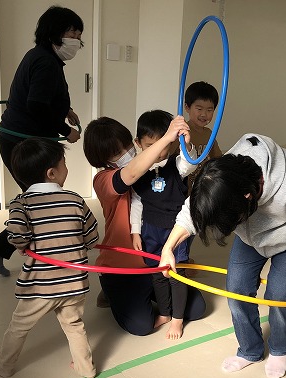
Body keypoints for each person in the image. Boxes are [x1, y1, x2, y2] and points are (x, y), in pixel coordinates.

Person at [159, 134, 286, 378]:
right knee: (237, 289)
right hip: (251, 237)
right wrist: (168, 248)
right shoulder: (224, 172)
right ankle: (250, 350)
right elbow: (195, 209)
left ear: (247, 197)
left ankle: (280, 349)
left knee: (280, 295)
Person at [0, 6, 85, 277]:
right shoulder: (46, 62)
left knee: (39, 202)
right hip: (23, 142)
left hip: (22, 138)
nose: (76, 40)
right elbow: (37, 105)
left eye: (79, 34)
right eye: (72, 32)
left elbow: (42, 95)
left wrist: (65, 109)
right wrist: (65, 130)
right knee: (42, 203)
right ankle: (9, 249)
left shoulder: (42, 57)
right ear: (54, 32)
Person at [83, 116, 206, 337]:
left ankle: (153, 298)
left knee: (196, 309)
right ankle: (111, 290)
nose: (126, 153)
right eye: (117, 153)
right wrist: (166, 138)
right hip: (125, 268)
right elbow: (130, 175)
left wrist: (181, 145)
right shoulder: (103, 179)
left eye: (126, 146)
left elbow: (186, 165)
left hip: (156, 258)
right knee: (142, 325)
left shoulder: (155, 166)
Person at [0, 137, 99, 378]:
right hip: (74, 282)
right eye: (64, 163)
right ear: (51, 173)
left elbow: (17, 235)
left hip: (40, 285)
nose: (66, 168)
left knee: (19, 326)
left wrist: (23, 245)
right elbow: (92, 238)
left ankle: (4, 366)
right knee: (74, 326)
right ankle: (85, 367)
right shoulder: (76, 200)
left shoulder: (22, 203)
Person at [129, 110, 198, 339]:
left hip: (175, 229)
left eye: (164, 144)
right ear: (138, 143)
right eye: (151, 145)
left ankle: (177, 319)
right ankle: (165, 312)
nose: (159, 152)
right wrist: (135, 232)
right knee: (157, 273)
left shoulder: (176, 164)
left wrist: (187, 144)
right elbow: (137, 201)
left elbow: (190, 163)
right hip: (150, 229)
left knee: (176, 274)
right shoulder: (138, 169)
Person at [182, 81, 223, 194]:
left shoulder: (209, 134)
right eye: (199, 109)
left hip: (202, 190)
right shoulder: (182, 132)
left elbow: (218, 159)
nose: (204, 114)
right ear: (187, 107)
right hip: (182, 191)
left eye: (209, 110)